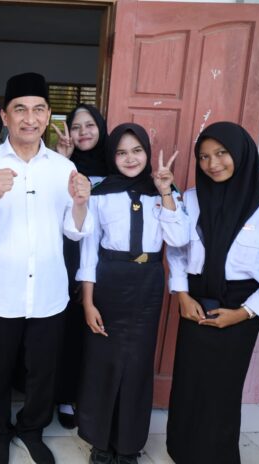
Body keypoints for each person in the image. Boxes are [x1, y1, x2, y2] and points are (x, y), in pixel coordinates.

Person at [0, 72, 92, 464]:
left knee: (42, 372)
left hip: (48, 292)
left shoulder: (62, 168)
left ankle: (32, 429)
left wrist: (81, 203)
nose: (29, 119)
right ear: (5, 116)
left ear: (48, 115)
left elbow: (74, 230)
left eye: (38, 110)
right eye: (20, 109)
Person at [75, 123, 188, 464]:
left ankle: (128, 445)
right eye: (122, 152)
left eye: (137, 151)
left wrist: (165, 192)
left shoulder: (165, 193)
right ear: (112, 156)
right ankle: (100, 442)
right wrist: (88, 301)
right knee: (103, 363)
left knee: (137, 365)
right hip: (109, 280)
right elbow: (88, 251)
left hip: (147, 282)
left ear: (147, 154)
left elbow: (178, 240)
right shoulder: (100, 193)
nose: (130, 158)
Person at [166, 121, 259, 464]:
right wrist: (182, 295)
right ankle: (182, 451)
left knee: (222, 388)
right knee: (190, 382)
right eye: (204, 156)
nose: (212, 164)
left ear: (241, 154)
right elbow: (177, 250)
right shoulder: (192, 199)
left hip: (242, 307)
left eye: (221, 153)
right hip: (195, 301)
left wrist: (244, 313)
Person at [51, 104, 109, 429]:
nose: (83, 132)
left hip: (107, 262)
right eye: (76, 126)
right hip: (68, 255)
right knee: (67, 328)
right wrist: (63, 160)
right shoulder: (61, 168)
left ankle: (91, 395)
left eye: (90, 125)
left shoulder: (116, 166)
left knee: (98, 331)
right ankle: (63, 395)